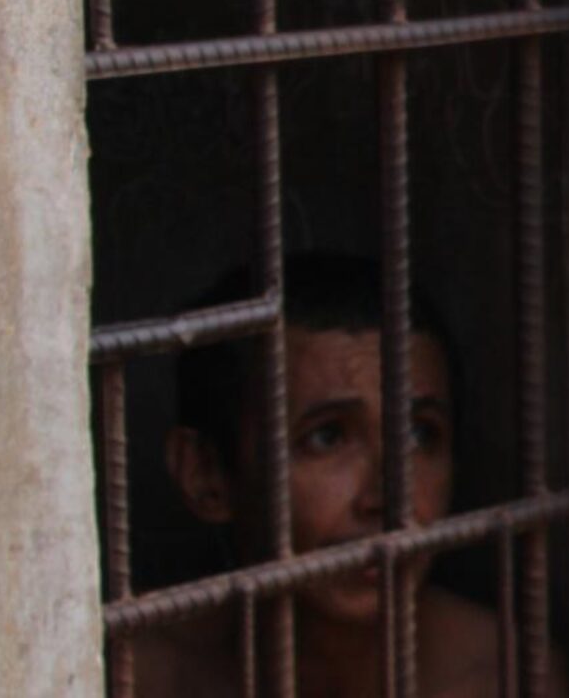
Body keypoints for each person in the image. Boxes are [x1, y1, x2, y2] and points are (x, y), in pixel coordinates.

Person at [134, 254, 517, 698]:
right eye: (327, 437)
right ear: (205, 474)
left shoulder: (512, 679)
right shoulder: (134, 676)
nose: (389, 498)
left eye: (420, 434)